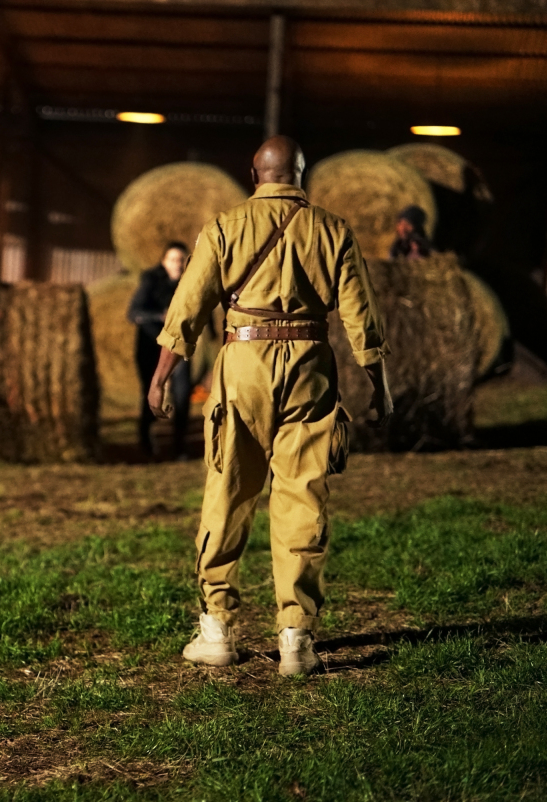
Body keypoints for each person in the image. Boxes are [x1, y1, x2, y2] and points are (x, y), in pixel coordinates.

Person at [149, 135, 393, 676]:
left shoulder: (223, 226)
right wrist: (380, 383)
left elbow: (188, 304)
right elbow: (361, 316)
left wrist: (162, 373)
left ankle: (216, 629)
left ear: (254, 173)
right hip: (311, 365)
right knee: (302, 496)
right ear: (300, 174)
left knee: (229, 490)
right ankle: (296, 639)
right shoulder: (332, 230)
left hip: (243, 364)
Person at [128, 241, 192, 459]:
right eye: (173, 260)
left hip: (179, 344)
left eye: (181, 260)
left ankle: (179, 447)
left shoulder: (190, 281)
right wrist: (160, 316)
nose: (177, 265)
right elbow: (134, 312)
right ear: (164, 261)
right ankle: (145, 442)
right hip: (150, 345)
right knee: (151, 390)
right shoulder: (150, 280)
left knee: (183, 395)